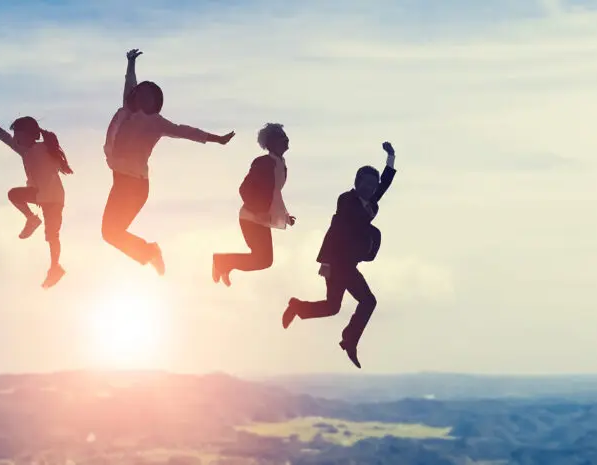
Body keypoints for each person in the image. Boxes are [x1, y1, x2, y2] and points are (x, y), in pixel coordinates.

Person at [101, 47, 236, 276]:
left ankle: (150, 252)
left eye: (148, 95)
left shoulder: (156, 123)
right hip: (120, 181)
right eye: (140, 93)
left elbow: (186, 131)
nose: (142, 96)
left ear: (156, 101)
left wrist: (217, 139)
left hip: (135, 186)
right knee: (109, 233)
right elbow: (129, 85)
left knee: (112, 232)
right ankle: (149, 252)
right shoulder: (127, 111)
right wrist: (131, 63)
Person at [282, 141, 398, 369]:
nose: (371, 188)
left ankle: (299, 308)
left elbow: (386, 182)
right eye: (366, 184)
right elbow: (343, 226)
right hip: (337, 262)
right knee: (368, 301)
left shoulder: (371, 200)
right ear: (357, 183)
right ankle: (349, 340)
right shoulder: (346, 200)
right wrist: (327, 261)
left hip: (348, 262)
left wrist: (391, 157)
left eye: (373, 186)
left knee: (333, 306)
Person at [0, 110, 72, 288]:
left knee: (52, 236)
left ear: (28, 134)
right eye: (15, 134)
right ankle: (32, 219)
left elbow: (52, 149)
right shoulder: (25, 150)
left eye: (18, 134)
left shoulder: (45, 148)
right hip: (40, 194)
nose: (15, 137)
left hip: (53, 198)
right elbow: (7, 140)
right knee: (13, 195)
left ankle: (55, 267)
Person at [212, 123, 295, 286]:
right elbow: (244, 189)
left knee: (264, 260)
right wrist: (258, 211)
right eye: (281, 137)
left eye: (285, 136)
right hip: (251, 218)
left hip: (262, 219)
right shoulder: (263, 163)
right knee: (263, 259)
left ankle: (224, 264)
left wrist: (285, 217)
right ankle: (221, 261)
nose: (286, 140)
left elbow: (274, 195)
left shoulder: (281, 165)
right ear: (271, 142)